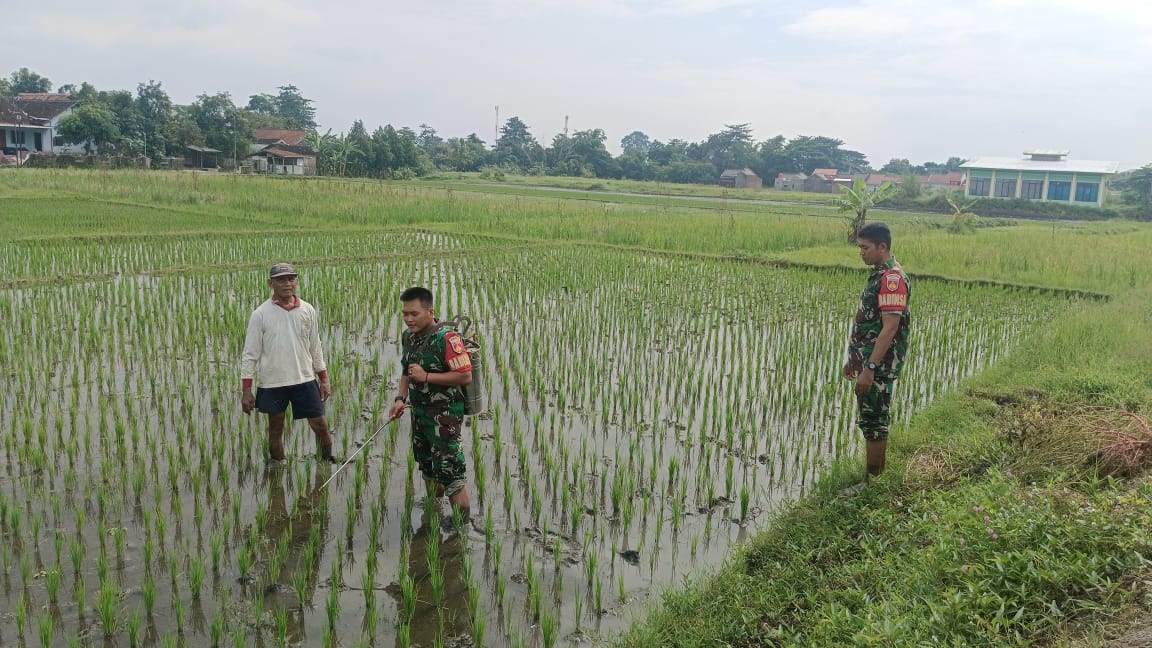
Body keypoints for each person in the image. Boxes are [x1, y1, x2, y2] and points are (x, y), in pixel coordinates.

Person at [387, 287, 474, 524]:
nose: (408, 319)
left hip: (444, 417)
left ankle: (461, 527)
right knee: (427, 464)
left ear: (430, 311)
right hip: (420, 413)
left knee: (451, 471)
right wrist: (400, 399)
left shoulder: (447, 339)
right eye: (405, 314)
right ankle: (434, 511)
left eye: (414, 314)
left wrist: (427, 377)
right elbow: (407, 369)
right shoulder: (409, 336)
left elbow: (465, 375)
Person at [241, 263, 336, 463]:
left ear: (296, 281)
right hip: (273, 383)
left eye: (291, 279)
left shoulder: (307, 310)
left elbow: (315, 347)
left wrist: (324, 379)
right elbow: (250, 354)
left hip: (304, 379)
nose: (287, 284)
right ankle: (278, 470)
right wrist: (246, 390)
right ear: (271, 283)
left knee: (320, 425)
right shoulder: (261, 314)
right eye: (281, 280)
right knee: (275, 429)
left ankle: (326, 463)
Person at [842, 223, 911, 479]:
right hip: (869, 363)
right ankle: (875, 478)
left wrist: (869, 368)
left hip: (878, 367)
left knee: (874, 423)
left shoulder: (891, 279)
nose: (861, 252)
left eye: (865, 247)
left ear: (882, 247)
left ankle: (873, 482)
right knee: (873, 420)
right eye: (860, 247)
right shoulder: (880, 273)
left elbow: (890, 328)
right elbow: (870, 324)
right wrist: (855, 361)